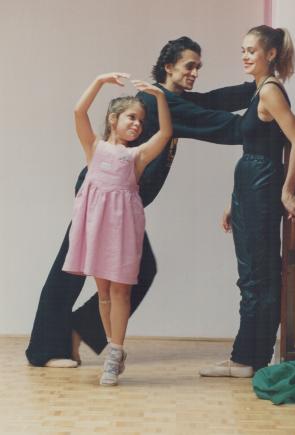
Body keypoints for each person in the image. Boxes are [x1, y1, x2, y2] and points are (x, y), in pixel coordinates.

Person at [26, 36, 256, 368]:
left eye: (198, 67)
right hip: (100, 195)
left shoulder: (170, 101)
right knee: (73, 268)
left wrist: (256, 89)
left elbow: (209, 102)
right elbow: (214, 121)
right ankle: (45, 349)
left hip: (122, 203)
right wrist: (261, 118)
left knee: (131, 269)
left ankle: (74, 332)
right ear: (168, 67)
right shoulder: (157, 102)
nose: (195, 73)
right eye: (189, 66)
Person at [199, 25, 295, 378]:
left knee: (258, 277)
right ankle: (246, 356)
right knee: (252, 276)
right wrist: (235, 202)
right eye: (242, 50)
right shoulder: (259, 91)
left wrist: (287, 190)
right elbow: (259, 147)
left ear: (271, 54)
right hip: (249, 189)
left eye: (252, 50)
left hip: (261, 189)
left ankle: (250, 358)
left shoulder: (271, 91)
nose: (245, 56)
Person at [62, 73, 172, 385]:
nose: (137, 124)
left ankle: (114, 353)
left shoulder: (136, 155)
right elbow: (78, 112)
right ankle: (114, 348)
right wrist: (97, 82)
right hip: (96, 224)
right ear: (113, 119)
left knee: (122, 289)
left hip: (124, 226)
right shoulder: (94, 147)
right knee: (105, 292)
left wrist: (161, 97)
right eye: (131, 118)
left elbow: (165, 133)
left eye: (140, 120)